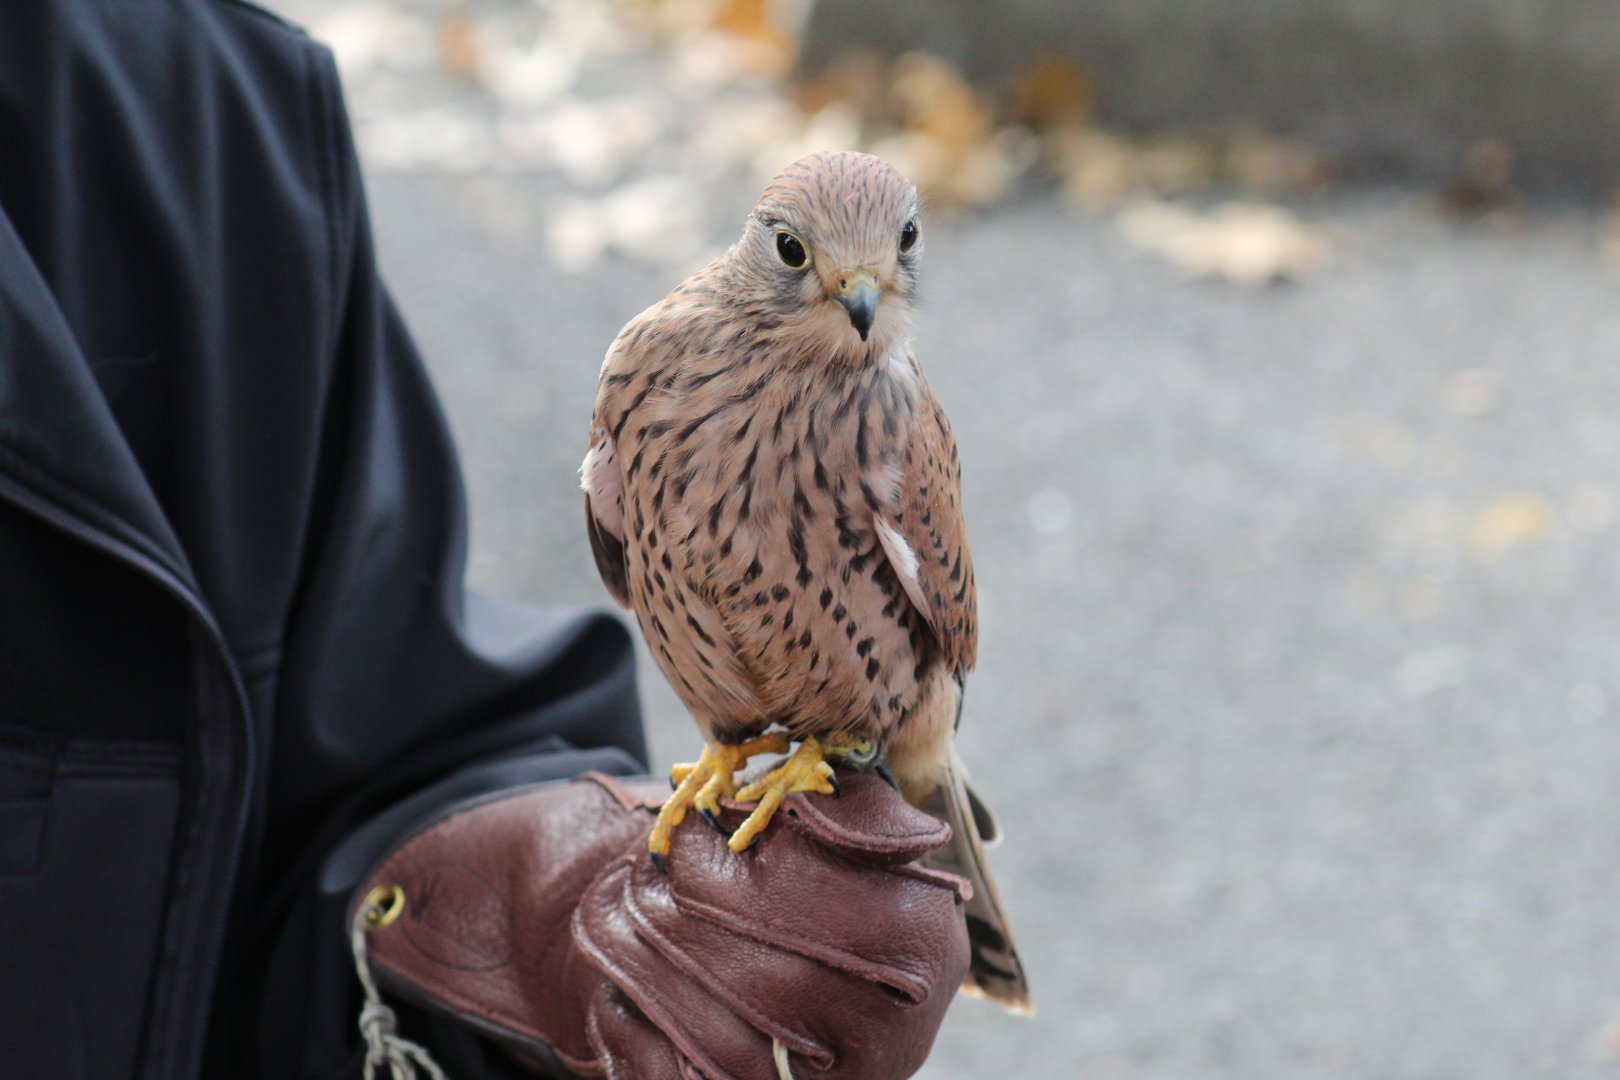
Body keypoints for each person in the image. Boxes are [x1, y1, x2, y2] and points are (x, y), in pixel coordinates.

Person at [0, 1, 970, 1077]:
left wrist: (539, 929)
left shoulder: (194, 107)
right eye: (802, 258)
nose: (860, 296)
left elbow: (377, 738)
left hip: (874, 715)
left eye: (893, 261)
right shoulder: (651, 369)